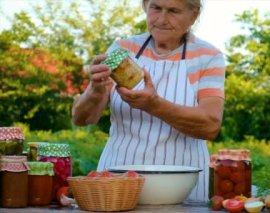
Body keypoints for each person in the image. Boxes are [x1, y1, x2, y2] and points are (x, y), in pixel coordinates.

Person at [71, 0, 225, 203]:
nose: (161, 19)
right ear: (145, 7)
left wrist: (154, 105)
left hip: (181, 187)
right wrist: (96, 89)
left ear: (193, 15)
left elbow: (210, 125)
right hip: (118, 180)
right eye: (155, 8)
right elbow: (82, 118)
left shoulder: (208, 57)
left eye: (173, 11)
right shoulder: (122, 49)